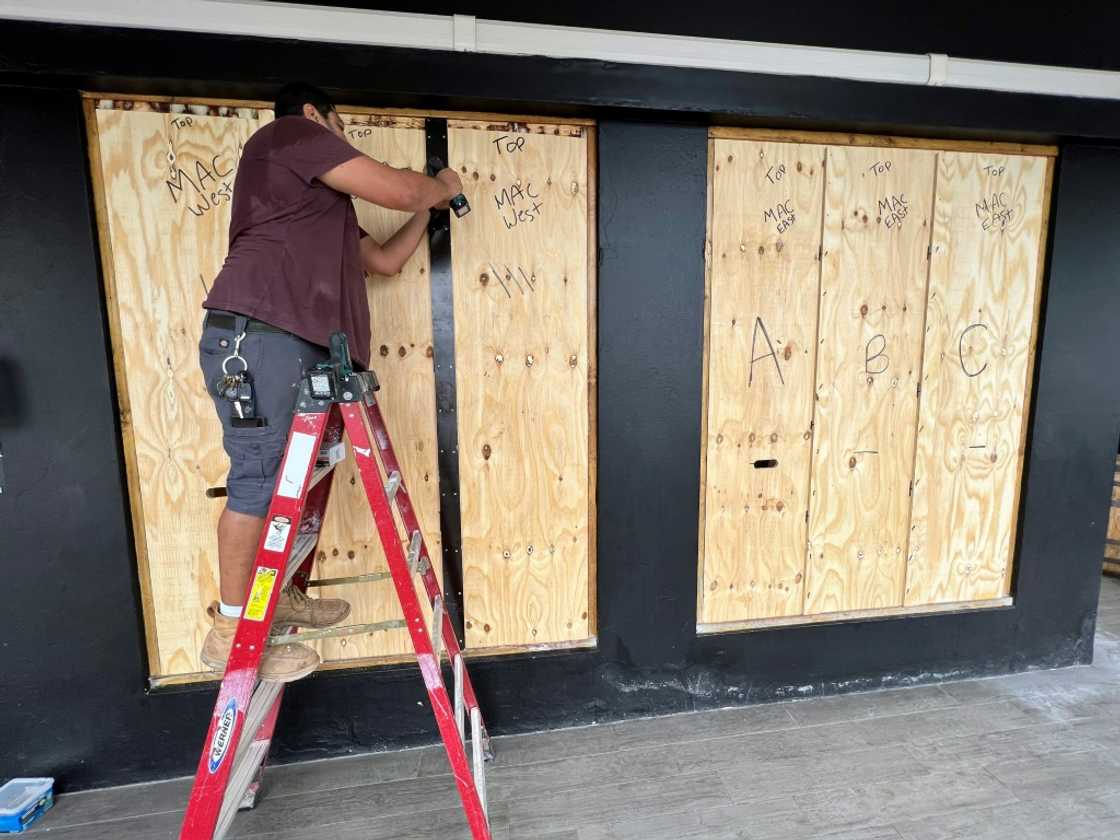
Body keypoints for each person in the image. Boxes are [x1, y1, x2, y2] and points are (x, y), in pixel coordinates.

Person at [197, 82, 464, 682]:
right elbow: (397, 188)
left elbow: (386, 261)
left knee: (296, 477)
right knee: (258, 484)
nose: (344, 140)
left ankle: (278, 595)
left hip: (296, 347)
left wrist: (429, 210)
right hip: (261, 338)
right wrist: (440, 188)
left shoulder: (319, 208)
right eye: (341, 125)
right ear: (318, 114)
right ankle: (231, 632)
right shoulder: (290, 135)